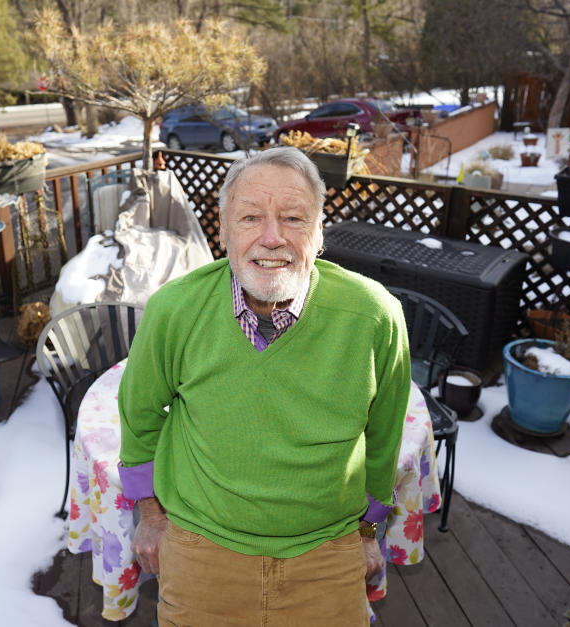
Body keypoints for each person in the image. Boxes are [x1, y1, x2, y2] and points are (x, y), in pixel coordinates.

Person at [117, 146, 411, 626]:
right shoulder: (174, 311)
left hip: (328, 547)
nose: (272, 238)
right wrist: (150, 516)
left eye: (294, 218)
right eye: (251, 217)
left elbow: (383, 436)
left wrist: (364, 532)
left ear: (319, 233)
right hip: (200, 544)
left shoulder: (376, 316)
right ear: (225, 230)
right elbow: (139, 416)